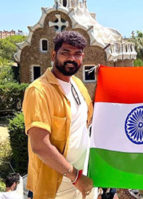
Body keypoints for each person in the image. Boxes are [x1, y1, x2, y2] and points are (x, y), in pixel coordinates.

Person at [22, 31, 94, 199]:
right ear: (54, 55)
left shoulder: (77, 84)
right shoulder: (39, 90)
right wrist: (75, 177)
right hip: (58, 184)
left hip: (84, 176)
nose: (72, 58)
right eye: (65, 53)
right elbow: (40, 145)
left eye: (77, 54)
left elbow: (86, 123)